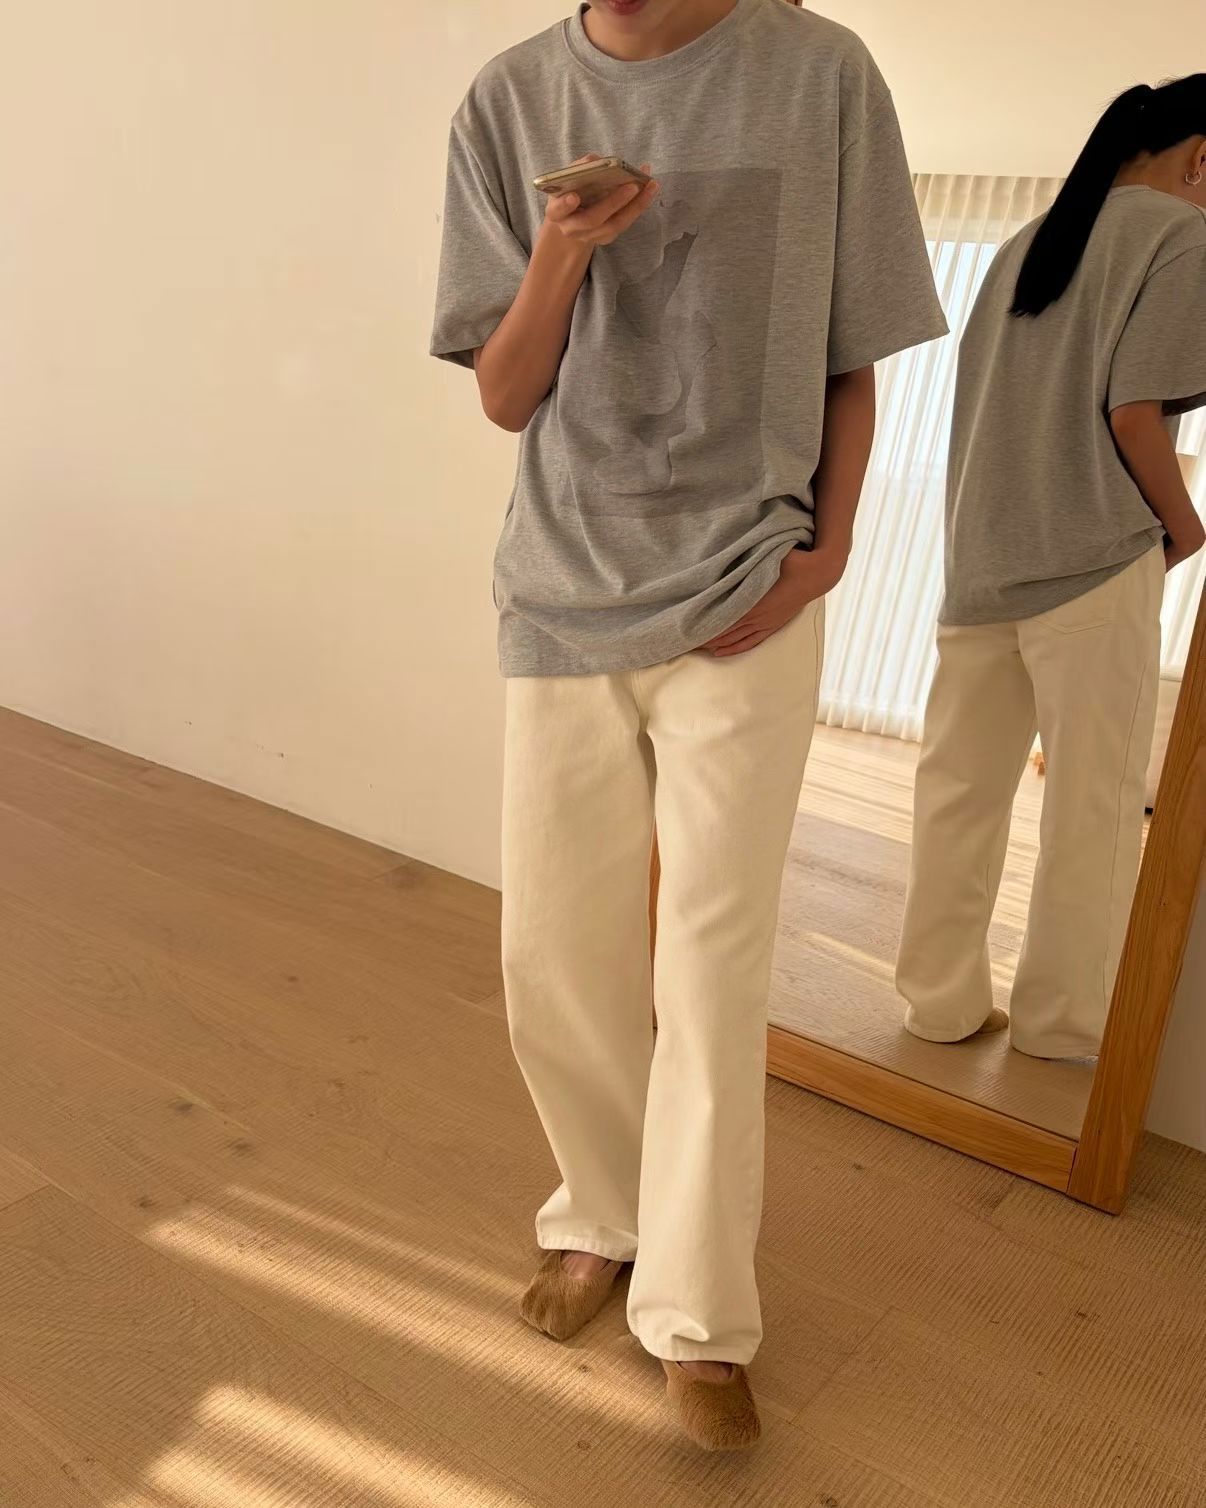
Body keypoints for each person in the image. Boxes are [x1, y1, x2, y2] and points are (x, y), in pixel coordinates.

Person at [431, 0, 945, 1450]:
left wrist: (828, 554)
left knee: (710, 964)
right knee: (551, 952)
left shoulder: (818, 73)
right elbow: (505, 394)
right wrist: (562, 249)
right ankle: (599, 1215)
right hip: (561, 587)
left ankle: (701, 1316)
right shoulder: (508, 98)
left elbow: (853, 349)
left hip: (747, 590)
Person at [897, 77, 1206, 1061]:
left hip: (983, 561)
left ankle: (937, 1005)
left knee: (958, 797)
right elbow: (1135, 412)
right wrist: (1184, 524)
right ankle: (1065, 1027)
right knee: (1092, 809)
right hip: (1091, 562)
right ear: (1202, 156)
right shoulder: (1183, 236)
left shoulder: (1025, 242)